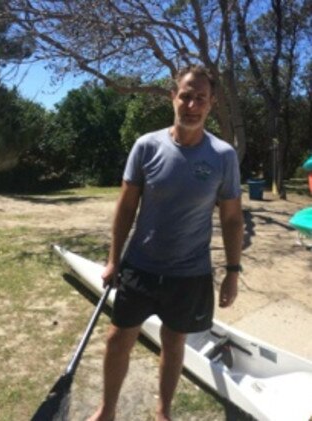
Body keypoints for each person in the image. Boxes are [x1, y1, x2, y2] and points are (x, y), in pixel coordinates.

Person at [87, 65, 244, 421]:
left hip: (190, 276)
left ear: (211, 103)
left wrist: (233, 271)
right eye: (185, 95)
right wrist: (113, 260)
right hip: (140, 267)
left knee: (174, 344)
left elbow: (232, 218)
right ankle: (107, 409)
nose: (191, 104)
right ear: (173, 97)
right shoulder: (146, 146)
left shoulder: (223, 156)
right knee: (117, 340)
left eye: (200, 98)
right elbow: (126, 206)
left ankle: (163, 412)